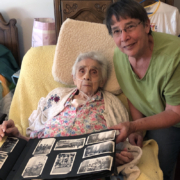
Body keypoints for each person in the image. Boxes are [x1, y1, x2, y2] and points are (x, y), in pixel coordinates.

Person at [0, 51, 137, 179]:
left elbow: (120, 143)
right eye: (82, 71)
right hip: (43, 164)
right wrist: (17, 135)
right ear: (74, 78)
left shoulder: (112, 105)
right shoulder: (56, 96)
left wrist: (117, 157)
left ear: (102, 80)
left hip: (85, 170)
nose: (87, 76)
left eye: (94, 72)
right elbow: (34, 141)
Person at [105, 0, 180, 179]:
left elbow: (175, 112)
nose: (124, 37)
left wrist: (133, 126)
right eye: (117, 31)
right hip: (149, 115)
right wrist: (137, 130)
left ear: (147, 25)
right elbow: (133, 93)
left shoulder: (174, 55)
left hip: (173, 120)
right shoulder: (120, 54)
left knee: (158, 165)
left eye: (130, 27)